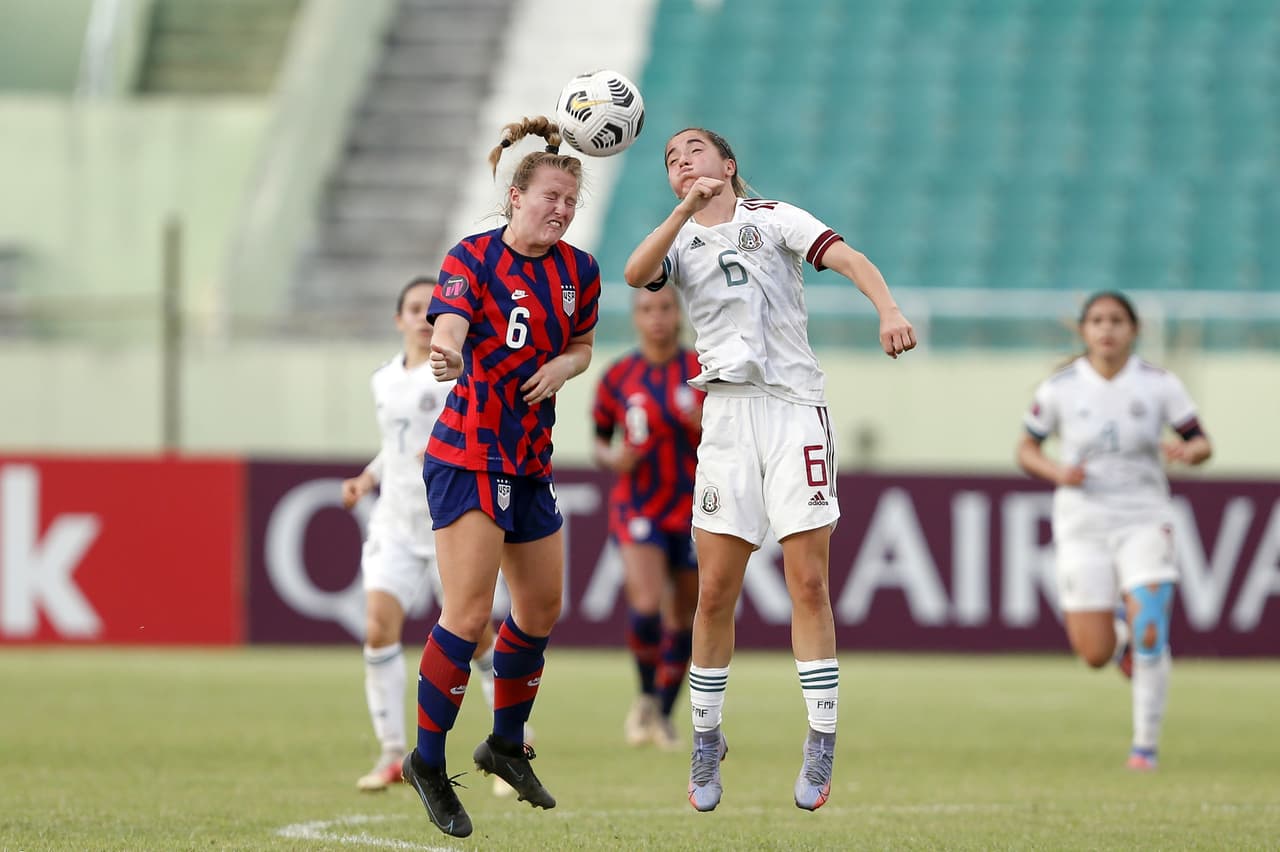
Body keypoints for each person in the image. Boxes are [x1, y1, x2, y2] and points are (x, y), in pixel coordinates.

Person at [622, 128, 916, 812]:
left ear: (729, 164)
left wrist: (889, 309)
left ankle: (820, 739)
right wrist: (680, 211)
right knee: (716, 590)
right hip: (725, 421)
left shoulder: (773, 218)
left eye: (695, 150)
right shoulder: (678, 240)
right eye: (670, 158)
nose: (683, 160)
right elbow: (636, 275)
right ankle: (704, 736)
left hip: (793, 411)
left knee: (807, 582)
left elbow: (848, 258)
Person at [400, 116, 600, 839]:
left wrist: (565, 367)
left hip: (529, 459)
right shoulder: (473, 258)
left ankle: (506, 744)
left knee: (543, 608)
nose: (561, 210)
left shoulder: (580, 272)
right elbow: (448, 325)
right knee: (468, 613)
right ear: (516, 196)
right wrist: (447, 353)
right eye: (550, 196)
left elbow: (581, 344)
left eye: (570, 202)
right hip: (468, 454)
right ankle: (426, 761)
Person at [1017, 290, 1212, 771]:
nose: (1107, 329)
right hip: (1082, 523)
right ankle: (1121, 647)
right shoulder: (1060, 387)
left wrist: (1191, 453)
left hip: (1144, 516)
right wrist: (1057, 472)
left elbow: (1201, 440)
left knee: (1150, 623)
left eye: (1117, 321)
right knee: (1093, 652)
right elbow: (1026, 448)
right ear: (1084, 330)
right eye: (1098, 320)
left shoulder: (1159, 384)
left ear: (1134, 329)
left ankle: (1144, 746)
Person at [341, 277, 504, 794]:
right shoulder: (383, 380)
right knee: (376, 627)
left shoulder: (454, 375)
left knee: (476, 634)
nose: (424, 317)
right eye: (414, 308)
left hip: (449, 519)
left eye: (431, 309)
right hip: (395, 521)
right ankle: (392, 752)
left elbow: (478, 422)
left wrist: (445, 446)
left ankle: (508, 741)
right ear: (398, 320)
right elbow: (392, 446)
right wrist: (368, 477)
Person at [592, 286, 704, 751]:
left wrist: (699, 421)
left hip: (701, 506)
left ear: (678, 315)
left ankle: (664, 711)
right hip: (639, 505)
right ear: (636, 318)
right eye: (646, 310)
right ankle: (644, 696)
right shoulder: (618, 375)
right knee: (646, 603)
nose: (655, 317)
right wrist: (612, 457)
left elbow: (733, 429)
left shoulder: (702, 369)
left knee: (684, 616)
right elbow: (599, 439)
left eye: (664, 308)